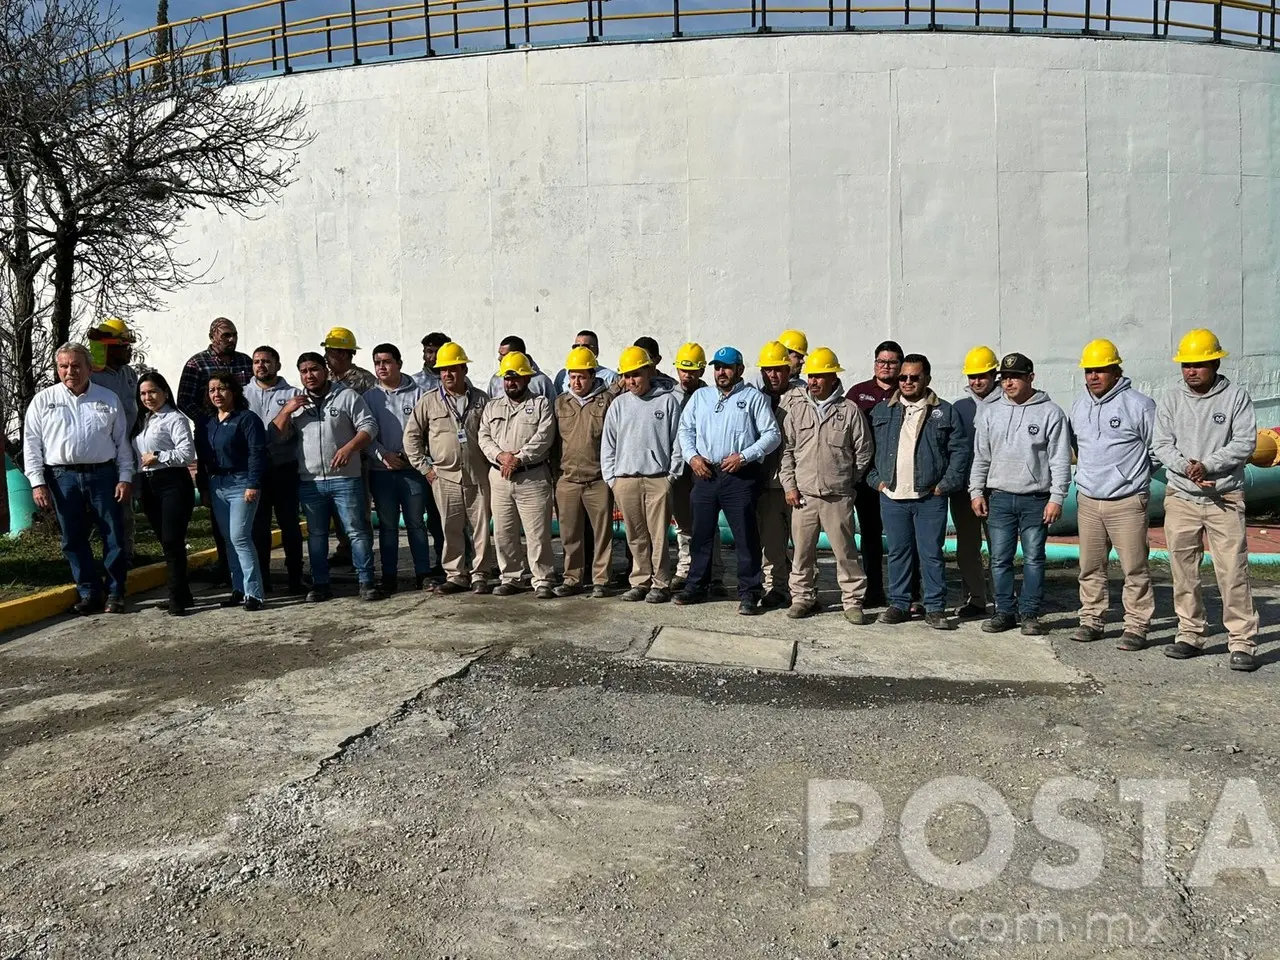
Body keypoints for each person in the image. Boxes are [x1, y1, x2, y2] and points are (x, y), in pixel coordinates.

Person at [1153, 329, 1260, 672]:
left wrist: (1209, 465)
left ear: (1215, 362)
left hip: (1224, 498)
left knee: (1232, 571)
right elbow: (1162, 444)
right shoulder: (1171, 399)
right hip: (1181, 497)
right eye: (1186, 365)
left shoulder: (1235, 398)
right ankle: (1190, 633)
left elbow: (1244, 442)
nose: (1191, 371)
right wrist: (1187, 467)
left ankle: (1242, 641)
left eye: (1199, 365)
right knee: (1183, 572)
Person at [22, 343, 133, 614]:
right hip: (62, 478)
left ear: (87, 367)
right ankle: (89, 592)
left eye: (75, 365)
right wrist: (37, 482)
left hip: (104, 476)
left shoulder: (107, 399)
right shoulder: (43, 401)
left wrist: (125, 476)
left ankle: (115, 592)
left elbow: (122, 442)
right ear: (57, 368)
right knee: (73, 538)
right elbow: (32, 444)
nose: (69, 371)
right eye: (63, 366)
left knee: (113, 534)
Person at [969, 353, 1071, 636]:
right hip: (999, 496)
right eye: (1004, 378)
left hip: (1036, 498)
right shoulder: (990, 412)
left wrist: (1057, 497)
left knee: (1034, 558)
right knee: (999, 558)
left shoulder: (1051, 413)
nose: (1008, 383)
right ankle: (1004, 611)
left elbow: (1059, 459)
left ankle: (1030, 613)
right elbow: (981, 457)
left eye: (1015, 377)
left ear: (1031, 378)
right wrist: (976, 490)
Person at [674, 347, 781, 615]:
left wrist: (745, 456)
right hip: (705, 472)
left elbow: (771, 435)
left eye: (727, 367)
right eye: (717, 367)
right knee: (701, 534)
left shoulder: (753, 398)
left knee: (745, 536)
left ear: (740, 370)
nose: (721, 372)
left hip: (739, 476)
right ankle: (697, 585)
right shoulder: (702, 396)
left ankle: (749, 591)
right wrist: (692, 458)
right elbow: (685, 430)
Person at [865, 354, 969, 630]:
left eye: (914, 377)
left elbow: (959, 452)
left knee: (931, 553)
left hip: (929, 497)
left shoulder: (944, 412)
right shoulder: (881, 411)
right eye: (903, 377)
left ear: (927, 379)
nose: (907, 382)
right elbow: (866, 451)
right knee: (899, 552)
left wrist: (944, 485)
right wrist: (877, 481)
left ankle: (934, 607)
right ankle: (899, 603)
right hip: (893, 496)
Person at [273, 352, 383, 602]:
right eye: (304, 371)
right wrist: (288, 411)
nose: (309, 375)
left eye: (314, 369)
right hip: (310, 481)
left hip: (346, 479)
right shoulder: (297, 404)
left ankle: (366, 581)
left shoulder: (347, 397)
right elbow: (277, 434)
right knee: (317, 535)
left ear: (325, 370)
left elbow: (369, 427)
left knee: (357, 531)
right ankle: (320, 584)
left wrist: (349, 448)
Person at [1069, 339, 1158, 650]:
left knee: (1134, 567)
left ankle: (1136, 625)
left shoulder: (1138, 405)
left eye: (1101, 370)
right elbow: (1077, 447)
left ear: (1116, 371)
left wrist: (1132, 477)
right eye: (1089, 371)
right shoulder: (1079, 406)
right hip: (1089, 499)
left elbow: (1156, 448)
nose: (1093, 377)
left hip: (1127, 501)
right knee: (1090, 566)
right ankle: (1091, 619)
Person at [779, 348, 873, 623]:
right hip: (804, 496)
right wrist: (790, 486)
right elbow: (787, 451)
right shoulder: (797, 410)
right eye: (812, 376)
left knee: (845, 553)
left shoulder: (849, 411)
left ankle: (853, 601)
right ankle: (802, 598)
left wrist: (846, 480)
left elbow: (863, 451)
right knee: (802, 552)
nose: (814, 381)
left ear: (833, 377)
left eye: (821, 376)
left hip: (838, 497)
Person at [403, 342, 496, 595]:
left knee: (480, 528)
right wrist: (425, 469)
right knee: (450, 528)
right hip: (444, 477)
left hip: (478, 475)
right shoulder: (429, 401)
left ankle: (480, 574)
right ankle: (456, 575)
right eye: (443, 370)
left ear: (464, 369)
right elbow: (411, 437)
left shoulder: (482, 400)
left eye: (453, 369)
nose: (447, 374)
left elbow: (492, 434)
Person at [601, 346, 685, 603]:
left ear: (649, 371)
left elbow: (677, 442)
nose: (631, 381)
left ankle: (661, 583)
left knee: (659, 535)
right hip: (625, 480)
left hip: (658, 478)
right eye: (626, 376)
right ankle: (640, 581)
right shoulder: (619, 405)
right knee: (635, 535)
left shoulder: (668, 401)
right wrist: (612, 479)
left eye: (636, 374)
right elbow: (609, 444)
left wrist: (671, 477)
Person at [178, 317, 253, 583]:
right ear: (212, 336)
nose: (231, 340)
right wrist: (210, 421)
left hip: (243, 435)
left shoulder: (246, 361)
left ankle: (253, 570)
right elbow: (184, 400)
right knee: (216, 500)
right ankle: (226, 564)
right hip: (211, 437)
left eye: (234, 335)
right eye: (226, 336)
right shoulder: (197, 364)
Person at [478, 351, 557, 598]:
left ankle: (542, 578)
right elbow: (483, 437)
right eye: (507, 379)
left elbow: (544, 437)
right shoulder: (492, 407)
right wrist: (501, 457)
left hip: (532, 476)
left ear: (526, 378)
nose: (511, 383)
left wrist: (518, 458)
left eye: (516, 378)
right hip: (500, 476)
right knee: (503, 532)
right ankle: (510, 576)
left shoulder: (541, 404)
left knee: (538, 533)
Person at [364, 343, 435, 593]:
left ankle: (423, 572)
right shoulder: (369, 397)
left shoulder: (420, 394)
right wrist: (383, 454)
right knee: (388, 525)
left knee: (416, 523)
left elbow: (427, 430)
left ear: (399, 364)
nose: (381, 367)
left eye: (386, 361)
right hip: (382, 472)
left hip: (413, 470)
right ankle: (390, 575)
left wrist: (408, 455)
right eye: (377, 362)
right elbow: (365, 433)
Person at [197, 371, 268, 611]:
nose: (217, 394)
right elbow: (203, 458)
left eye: (222, 388)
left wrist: (253, 484)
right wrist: (204, 487)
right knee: (228, 540)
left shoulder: (247, 419)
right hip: (217, 485)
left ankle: (254, 593)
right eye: (212, 390)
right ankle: (238, 588)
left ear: (234, 391)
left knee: (240, 537)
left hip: (241, 483)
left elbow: (257, 453)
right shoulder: (207, 423)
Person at [552, 345, 616, 598]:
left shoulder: (607, 401)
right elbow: (554, 443)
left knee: (602, 534)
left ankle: (601, 579)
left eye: (581, 377)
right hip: (567, 479)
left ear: (592, 376)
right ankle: (572, 578)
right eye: (573, 376)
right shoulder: (560, 403)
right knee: (569, 533)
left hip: (598, 479)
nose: (576, 382)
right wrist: (556, 476)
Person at [846, 340, 904, 607]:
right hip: (866, 478)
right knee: (870, 536)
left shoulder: (909, 391)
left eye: (891, 362)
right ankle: (874, 591)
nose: (885, 366)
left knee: (901, 538)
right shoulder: (859, 393)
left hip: (899, 478)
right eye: (881, 361)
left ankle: (906, 594)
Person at [133, 372, 197, 616]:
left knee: (172, 540)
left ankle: (176, 597)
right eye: (143, 394)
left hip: (172, 482)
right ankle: (183, 592)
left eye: (152, 392)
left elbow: (187, 454)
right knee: (165, 541)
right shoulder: (142, 420)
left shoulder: (175, 419)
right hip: (148, 485)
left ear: (165, 393)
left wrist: (159, 456)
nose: (148, 397)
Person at [244, 346, 305, 595]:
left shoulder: (293, 395)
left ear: (277, 365)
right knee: (258, 528)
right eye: (257, 362)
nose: (261, 366)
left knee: (290, 525)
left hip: (284, 469)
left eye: (267, 361)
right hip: (255, 472)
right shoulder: (241, 394)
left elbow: (290, 431)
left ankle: (296, 578)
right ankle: (263, 579)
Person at [669, 343, 726, 595]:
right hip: (678, 469)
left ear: (702, 370)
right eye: (683, 370)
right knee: (683, 523)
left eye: (692, 371)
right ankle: (685, 568)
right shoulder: (668, 397)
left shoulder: (712, 397)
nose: (687, 375)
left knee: (708, 523)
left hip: (704, 469)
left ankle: (715, 574)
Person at [951, 346, 1001, 618]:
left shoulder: (1008, 405)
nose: (977, 381)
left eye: (982, 375)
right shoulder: (960, 408)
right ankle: (976, 599)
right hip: (963, 492)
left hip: (999, 490)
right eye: (972, 376)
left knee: (1000, 548)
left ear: (994, 374)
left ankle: (1005, 600)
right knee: (967, 547)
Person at [88, 317, 141, 563]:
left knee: (125, 509)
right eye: (124, 346)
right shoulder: (91, 378)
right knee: (103, 511)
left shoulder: (130, 374)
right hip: (101, 455)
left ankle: (126, 554)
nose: (129, 350)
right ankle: (106, 557)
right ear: (109, 348)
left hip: (126, 452)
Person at [755, 340, 797, 610]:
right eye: (768, 370)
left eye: (778, 369)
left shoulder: (803, 400)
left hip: (798, 484)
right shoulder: (754, 400)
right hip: (767, 483)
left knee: (802, 545)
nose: (773, 375)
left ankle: (805, 590)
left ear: (788, 370)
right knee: (771, 544)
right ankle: (776, 588)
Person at [487, 335, 556, 400]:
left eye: (503, 355)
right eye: (499, 354)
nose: (499, 358)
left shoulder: (541, 381)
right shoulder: (496, 380)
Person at [553, 331, 619, 394]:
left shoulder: (610, 376)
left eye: (585, 347)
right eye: (576, 346)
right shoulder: (562, 375)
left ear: (596, 350)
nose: (580, 350)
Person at [322, 326, 376, 393]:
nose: (325, 356)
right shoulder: (324, 378)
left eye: (328, 352)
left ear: (343, 355)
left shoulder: (365, 379)